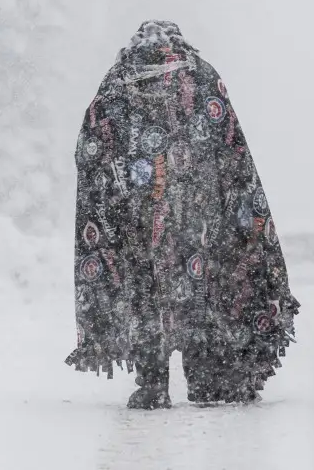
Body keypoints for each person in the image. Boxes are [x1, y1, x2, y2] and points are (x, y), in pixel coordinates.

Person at [64, 20, 298, 409]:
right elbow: (231, 144)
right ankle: (205, 379)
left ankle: (151, 385)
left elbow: (89, 144)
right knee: (197, 292)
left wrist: (116, 191)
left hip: (135, 218)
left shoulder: (117, 82)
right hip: (195, 215)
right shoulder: (202, 77)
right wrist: (233, 202)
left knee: (144, 296)